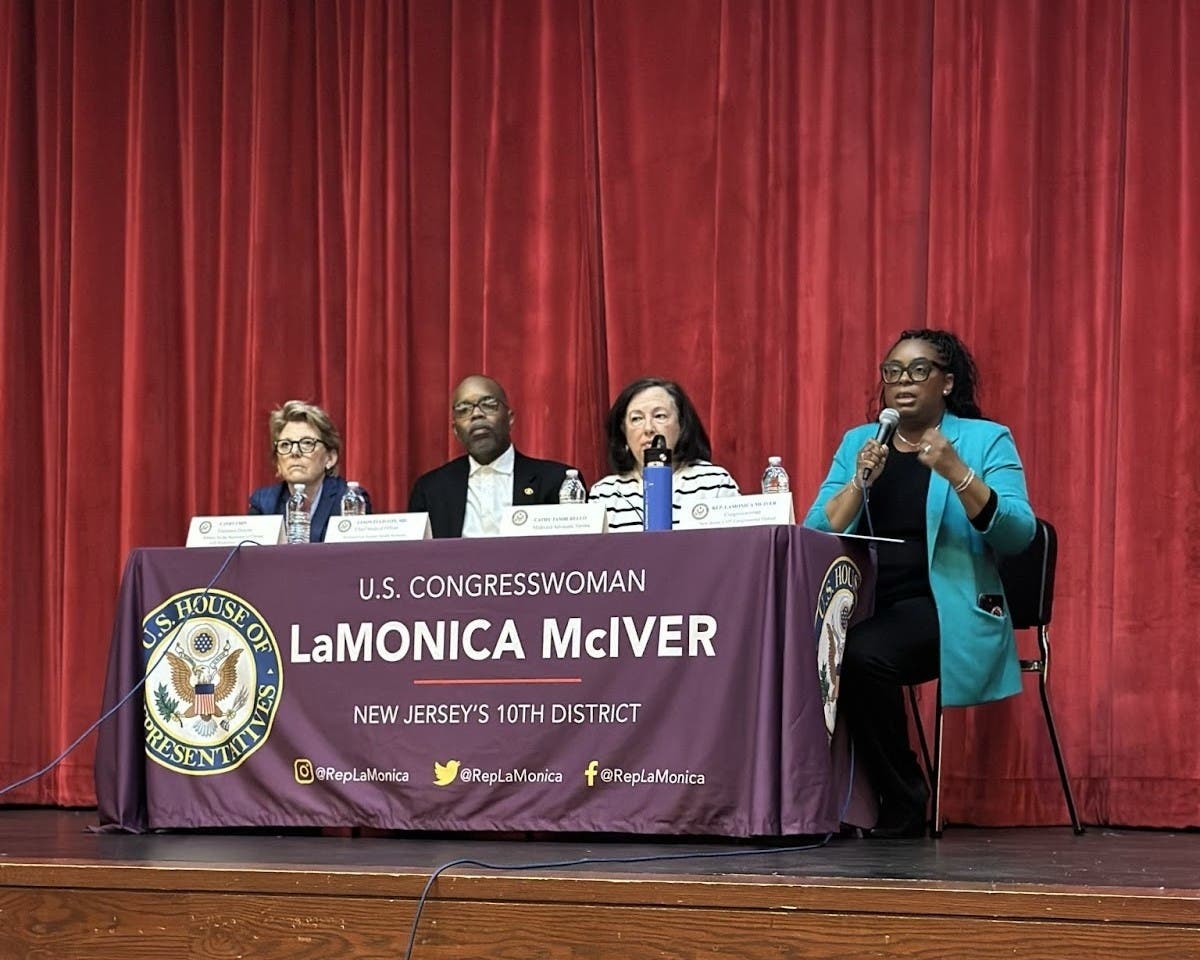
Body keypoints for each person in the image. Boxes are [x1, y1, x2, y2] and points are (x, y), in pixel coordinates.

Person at [803, 329, 1035, 837]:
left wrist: (957, 472)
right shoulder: (859, 443)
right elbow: (815, 532)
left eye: (918, 370)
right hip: (868, 605)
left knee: (859, 654)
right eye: (892, 372)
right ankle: (815, 803)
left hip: (946, 607)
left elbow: (1020, 532)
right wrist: (859, 480)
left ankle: (904, 798)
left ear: (947, 382)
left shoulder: (983, 439)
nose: (903, 382)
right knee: (807, 645)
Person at [407, 375, 579, 538]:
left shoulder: (556, 481)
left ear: (510, 418)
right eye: (464, 409)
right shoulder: (429, 490)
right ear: (455, 430)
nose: (476, 414)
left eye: (488, 404)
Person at [589, 377, 739, 531]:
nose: (648, 428)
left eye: (660, 416)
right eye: (636, 419)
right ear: (623, 430)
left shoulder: (714, 482)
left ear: (681, 425)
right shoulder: (605, 493)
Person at [248, 400, 372, 543]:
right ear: (277, 462)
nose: (294, 452)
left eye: (307, 443)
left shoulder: (349, 500)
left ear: (330, 458)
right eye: (285, 445)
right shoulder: (264, 504)